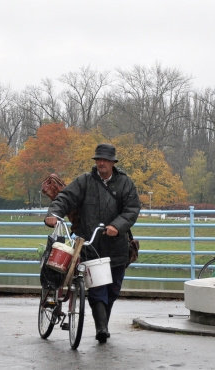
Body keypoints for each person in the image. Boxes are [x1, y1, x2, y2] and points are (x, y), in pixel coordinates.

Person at [44, 143, 140, 343]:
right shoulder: (85, 181)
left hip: (117, 246)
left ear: (113, 163)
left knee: (112, 290)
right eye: (98, 160)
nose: (101, 163)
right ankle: (102, 328)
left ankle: (102, 323)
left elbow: (132, 209)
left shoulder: (125, 183)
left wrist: (117, 226)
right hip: (91, 244)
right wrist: (54, 214)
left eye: (105, 160)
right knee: (97, 289)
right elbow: (65, 197)